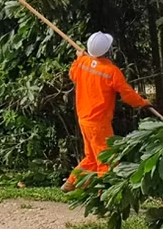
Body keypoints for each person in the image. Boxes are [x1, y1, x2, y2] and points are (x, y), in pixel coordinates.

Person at [61, 32, 150, 193]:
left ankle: (72, 181)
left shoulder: (82, 63)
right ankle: (106, 192)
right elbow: (127, 94)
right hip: (99, 122)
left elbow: (73, 74)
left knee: (91, 156)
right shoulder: (111, 71)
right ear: (108, 51)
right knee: (106, 158)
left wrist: (78, 57)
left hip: (84, 119)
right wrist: (142, 102)